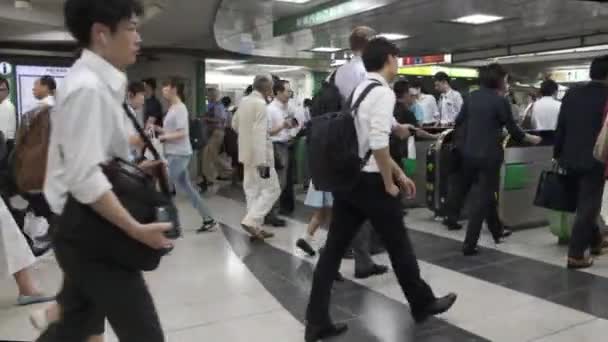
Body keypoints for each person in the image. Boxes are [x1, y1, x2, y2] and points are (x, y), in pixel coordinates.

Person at [304, 38, 457, 342]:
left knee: (333, 250)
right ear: (389, 59)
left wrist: (398, 173)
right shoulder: (383, 92)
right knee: (399, 244)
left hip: (351, 181)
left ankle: (316, 320)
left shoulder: (360, 90)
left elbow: (372, 134)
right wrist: (390, 181)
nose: (397, 64)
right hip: (372, 183)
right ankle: (422, 303)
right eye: (396, 59)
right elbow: (376, 143)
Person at [37, 1, 174, 340]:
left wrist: (135, 168)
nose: (138, 38)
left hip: (83, 224)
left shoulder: (99, 83)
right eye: (130, 28)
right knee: (144, 333)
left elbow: (95, 158)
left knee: (72, 325)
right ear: (101, 33)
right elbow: (85, 177)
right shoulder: (88, 88)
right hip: (87, 228)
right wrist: (136, 229)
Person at [455, 64, 541, 256]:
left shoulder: (470, 97)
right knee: (484, 197)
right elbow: (513, 129)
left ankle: (497, 231)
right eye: (506, 79)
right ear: (499, 80)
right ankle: (469, 244)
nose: (507, 82)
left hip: (469, 154)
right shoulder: (499, 101)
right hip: (489, 156)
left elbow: (459, 121)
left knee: (487, 192)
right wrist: (530, 138)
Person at [554, 55, 608, 269]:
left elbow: (562, 125)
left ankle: (596, 241)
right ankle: (576, 255)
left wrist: (557, 153)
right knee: (588, 205)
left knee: (583, 203)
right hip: (595, 160)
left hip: (569, 157)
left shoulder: (572, 92)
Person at [156, 78, 218, 233]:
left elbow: (183, 133)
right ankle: (208, 219)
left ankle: (168, 226)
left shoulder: (180, 108)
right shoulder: (173, 108)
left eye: (165, 87)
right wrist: (158, 129)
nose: (163, 90)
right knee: (188, 189)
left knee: (163, 188)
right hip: (174, 153)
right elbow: (173, 131)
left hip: (179, 154)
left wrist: (163, 138)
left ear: (174, 89)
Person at [232, 75, 280, 241]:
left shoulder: (244, 101)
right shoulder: (261, 105)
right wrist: (261, 162)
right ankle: (251, 220)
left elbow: (234, 124)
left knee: (252, 191)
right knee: (273, 189)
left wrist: (246, 139)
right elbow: (260, 134)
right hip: (261, 157)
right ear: (267, 89)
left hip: (245, 154)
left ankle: (255, 227)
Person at [266, 79, 297, 226]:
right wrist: (283, 126)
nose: (289, 94)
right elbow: (267, 132)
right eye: (287, 91)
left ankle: (272, 212)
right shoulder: (271, 109)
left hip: (286, 145)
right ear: (278, 92)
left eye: (290, 91)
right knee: (277, 183)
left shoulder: (286, 108)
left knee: (282, 183)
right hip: (276, 147)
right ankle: (271, 214)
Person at [202, 88, 229, 187]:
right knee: (209, 156)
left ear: (213, 95)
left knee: (211, 155)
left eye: (209, 95)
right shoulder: (211, 106)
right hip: (211, 133)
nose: (207, 97)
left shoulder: (218, 106)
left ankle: (227, 171)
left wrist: (206, 119)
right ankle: (212, 176)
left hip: (217, 133)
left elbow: (221, 120)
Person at [0, 77, 17, 155]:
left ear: (8, 92)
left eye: (2, 90)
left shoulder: (8, 107)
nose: (0, 92)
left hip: (4, 146)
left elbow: (4, 135)